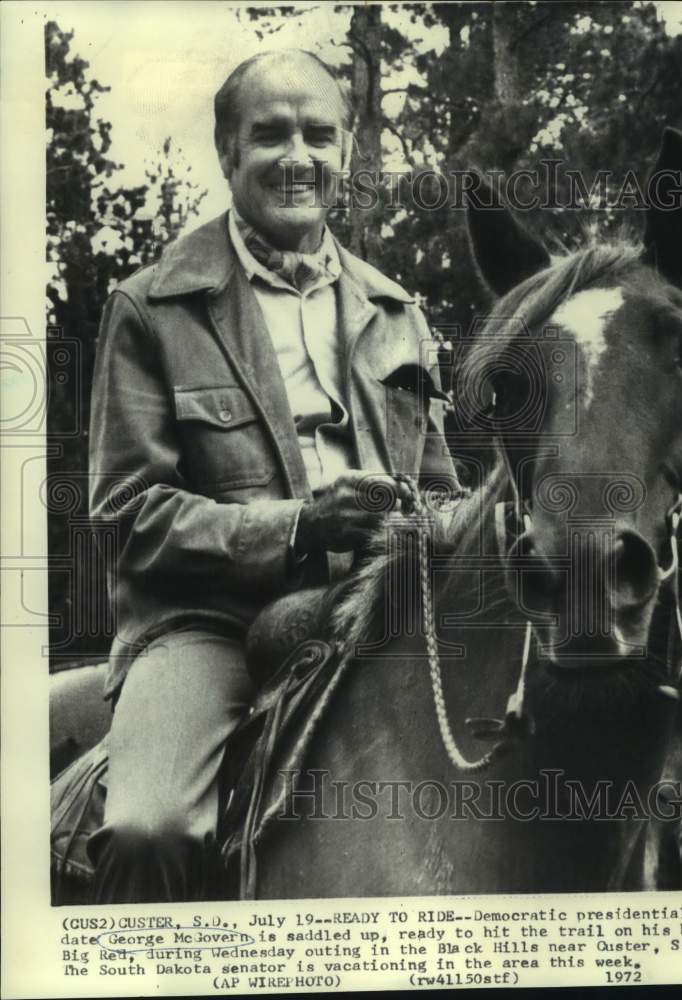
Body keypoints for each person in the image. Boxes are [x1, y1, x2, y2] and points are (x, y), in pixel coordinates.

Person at [86, 49, 457, 902]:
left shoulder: (397, 311)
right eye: (270, 135)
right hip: (207, 629)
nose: (299, 157)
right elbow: (126, 515)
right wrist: (297, 526)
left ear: (348, 151)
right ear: (228, 153)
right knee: (154, 830)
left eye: (320, 135)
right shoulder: (152, 306)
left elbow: (441, 490)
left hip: (386, 618)